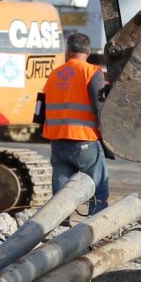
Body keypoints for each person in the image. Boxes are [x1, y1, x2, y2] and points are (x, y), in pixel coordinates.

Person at [41, 33, 109, 214]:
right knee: (98, 188)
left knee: (61, 193)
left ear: (68, 51)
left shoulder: (54, 74)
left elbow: (41, 106)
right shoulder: (91, 72)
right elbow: (99, 107)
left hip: (58, 141)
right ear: (88, 52)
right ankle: (97, 226)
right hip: (84, 139)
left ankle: (59, 227)